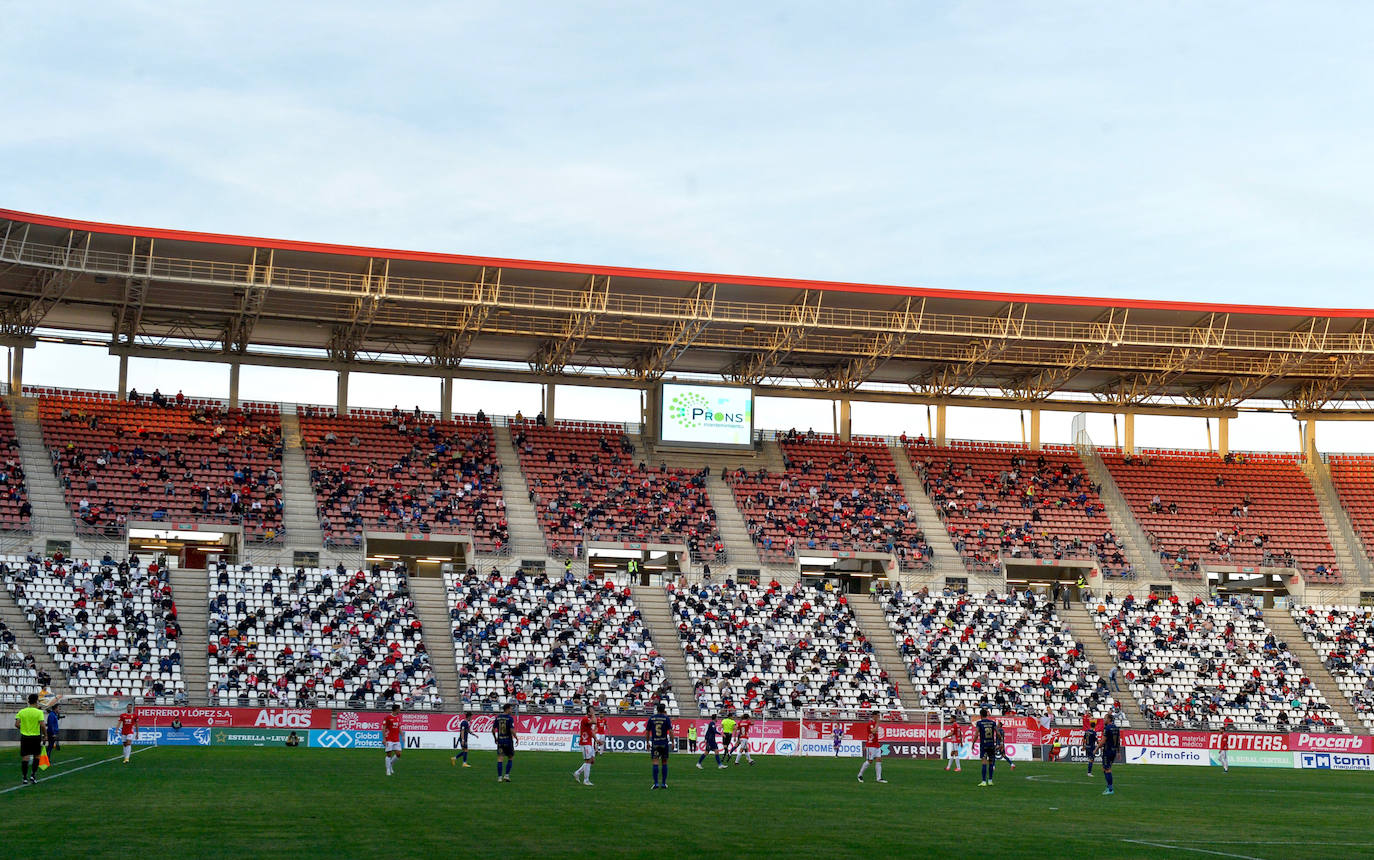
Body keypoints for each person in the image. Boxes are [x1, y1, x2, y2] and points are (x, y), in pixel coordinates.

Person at [15, 693, 47, 785]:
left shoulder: (22, 711)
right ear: (36, 701)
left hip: (25, 737)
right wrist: (45, 735)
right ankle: (33, 775)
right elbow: (42, 725)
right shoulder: (39, 712)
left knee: (25, 757)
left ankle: (24, 777)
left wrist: (24, 728)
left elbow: (17, 724)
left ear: (28, 701)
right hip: (35, 737)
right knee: (37, 755)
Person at [648, 701, 673, 790]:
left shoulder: (652, 718)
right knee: (664, 762)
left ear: (657, 709)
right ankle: (663, 783)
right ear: (664, 710)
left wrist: (647, 742)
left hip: (655, 743)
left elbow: (647, 731)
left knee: (655, 762)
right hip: (664, 743)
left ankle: (655, 784)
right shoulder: (666, 719)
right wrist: (673, 742)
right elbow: (670, 731)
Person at [856, 712, 886, 783]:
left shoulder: (874, 724)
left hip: (876, 744)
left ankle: (879, 778)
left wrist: (877, 724)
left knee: (879, 760)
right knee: (870, 761)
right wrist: (878, 723)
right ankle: (860, 775)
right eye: (878, 716)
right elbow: (874, 731)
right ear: (874, 716)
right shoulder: (870, 724)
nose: (879, 717)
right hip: (871, 745)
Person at [975, 708, 999, 786]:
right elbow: (998, 733)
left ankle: (984, 781)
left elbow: (976, 734)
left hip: (984, 745)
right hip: (991, 745)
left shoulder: (979, 723)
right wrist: (1000, 742)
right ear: (987, 714)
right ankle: (990, 780)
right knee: (991, 762)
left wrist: (973, 743)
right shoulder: (993, 723)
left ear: (981, 715)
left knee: (984, 762)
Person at [494, 703, 518, 782]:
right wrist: (516, 737)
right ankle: (506, 776)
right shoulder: (510, 718)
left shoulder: (498, 718)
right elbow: (512, 729)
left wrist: (495, 738)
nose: (511, 710)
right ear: (507, 709)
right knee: (510, 757)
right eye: (511, 709)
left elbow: (493, 730)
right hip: (508, 741)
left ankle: (499, 777)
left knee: (500, 758)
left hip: (500, 741)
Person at [574, 704, 597, 786]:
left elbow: (590, 731)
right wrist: (593, 714)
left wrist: (596, 739)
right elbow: (595, 721)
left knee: (592, 761)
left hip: (589, 742)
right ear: (588, 712)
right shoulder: (585, 718)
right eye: (592, 710)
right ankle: (586, 780)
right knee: (588, 761)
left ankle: (577, 772)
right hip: (585, 742)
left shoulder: (588, 719)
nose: (593, 711)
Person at [1101, 713, 1121, 796]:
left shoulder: (1107, 728)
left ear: (1109, 719)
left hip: (1107, 751)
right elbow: (1118, 741)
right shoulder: (1116, 728)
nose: (1104, 720)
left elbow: (1103, 741)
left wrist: (1095, 749)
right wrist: (1118, 752)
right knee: (1105, 768)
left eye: (1105, 718)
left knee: (1107, 769)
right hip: (1113, 751)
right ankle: (1108, 787)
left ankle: (1110, 789)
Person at [382, 704, 403, 776]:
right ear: (396, 709)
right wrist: (384, 738)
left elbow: (399, 727)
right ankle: (388, 770)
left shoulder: (398, 718)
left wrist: (402, 736)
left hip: (396, 739)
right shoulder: (387, 717)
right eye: (399, 709)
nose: (400, 710)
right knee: (389, 754)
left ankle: (390, 764)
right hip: (389, 739)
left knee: (398, 754)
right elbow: (383, 728)